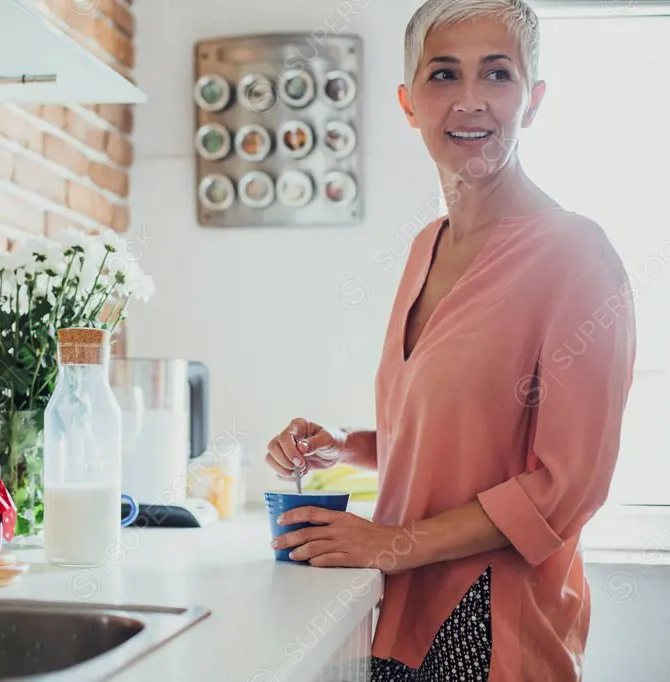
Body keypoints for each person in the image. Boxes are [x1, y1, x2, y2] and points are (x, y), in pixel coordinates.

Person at [264, 1, 637, 680]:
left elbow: (566, 483)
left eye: (497, 75)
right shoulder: (424, 248)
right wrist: (343, 447)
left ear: (534, 100)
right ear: (409, 103)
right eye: (444, 75)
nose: (470, 101)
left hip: (494, 627)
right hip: (402, 612)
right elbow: (458, 441)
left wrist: (392, 544)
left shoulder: (576, 253)